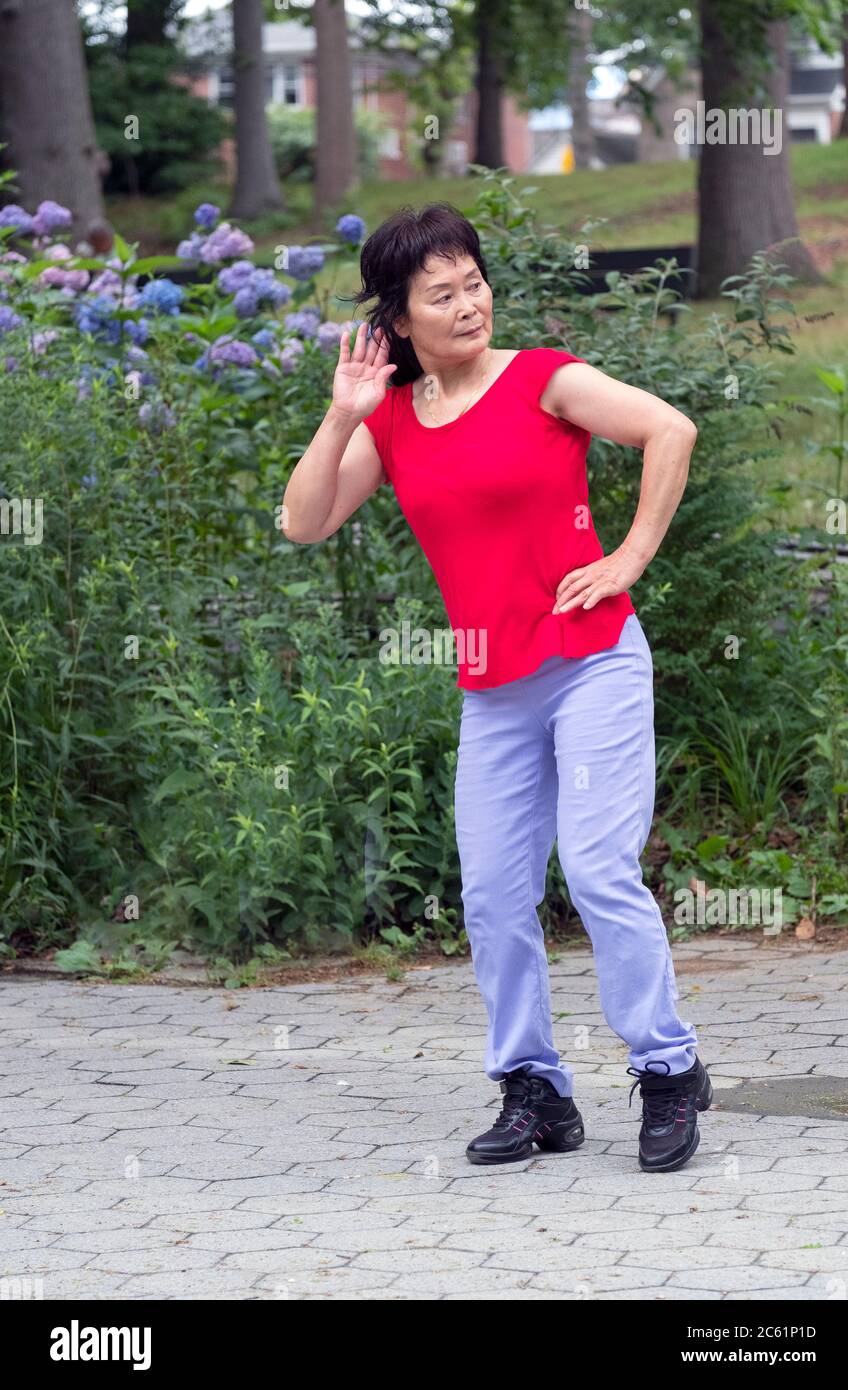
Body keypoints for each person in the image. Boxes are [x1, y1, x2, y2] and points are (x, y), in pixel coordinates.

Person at [281, 202, 712, 1174]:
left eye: (472, 281)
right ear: (396, 321)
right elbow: (303, 521)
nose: (468, 302)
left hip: (592, 661)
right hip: (495, 688)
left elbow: (667, 428)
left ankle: (667, 1066)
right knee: (490, 892)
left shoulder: (540, 378)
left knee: (596, 869)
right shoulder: (389, 420)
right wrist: (342, 412)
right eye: (442, 293)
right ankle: (535, 1089)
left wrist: (630, 554)